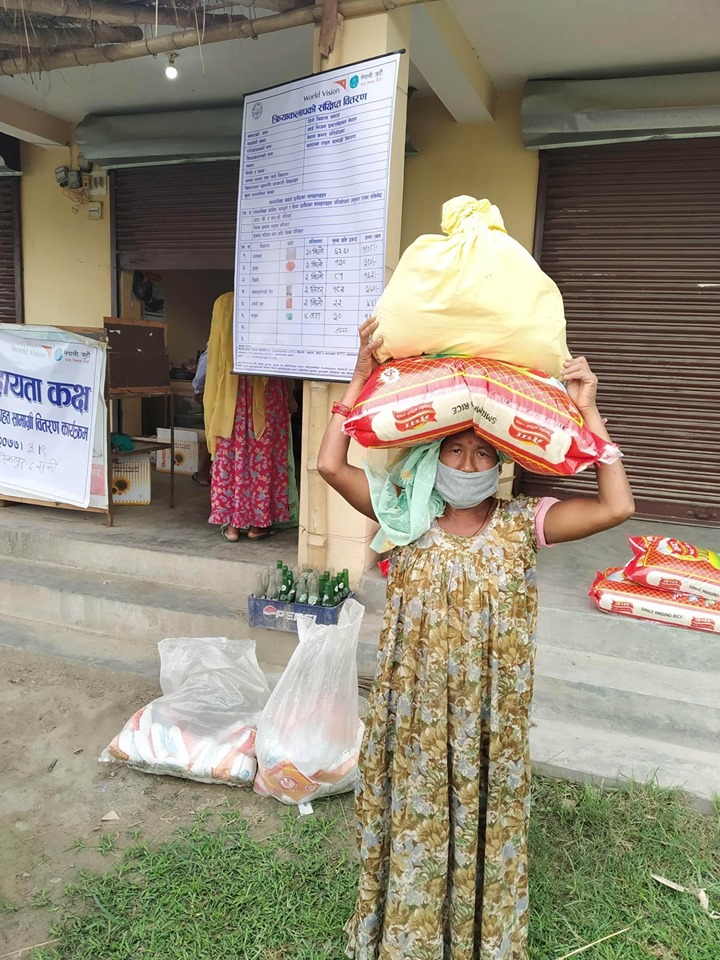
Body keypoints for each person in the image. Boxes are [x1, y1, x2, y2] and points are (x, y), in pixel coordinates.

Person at [317, 319, 635, 960]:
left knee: (485, 821)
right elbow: (329, 464)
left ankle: (479, 940)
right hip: (417, 718)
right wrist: (358, 377)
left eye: (484, 453)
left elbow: (616, 507)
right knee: (417, 818)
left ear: (503, 461)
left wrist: (590, 411)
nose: (469, 464)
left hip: (489, 718)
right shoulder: (403, 514)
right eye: (456, 451)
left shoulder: (524, 523)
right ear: (432, 455)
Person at [203, 292, 298, 541]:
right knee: (262, 458)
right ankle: (258, 525)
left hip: (229, 395)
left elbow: (211, 357)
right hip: (268, 394)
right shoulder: (268, 300)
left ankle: (233, 526)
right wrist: (290, 396)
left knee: (233, 455)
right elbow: (286, 358)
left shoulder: (223, 302)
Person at [191, 345, 211, 487]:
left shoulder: (216, 342)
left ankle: (204, 475)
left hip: (214, 396)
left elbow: (203, 367)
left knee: (212, 437)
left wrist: (198, 390)